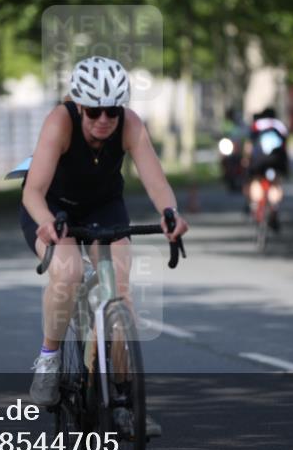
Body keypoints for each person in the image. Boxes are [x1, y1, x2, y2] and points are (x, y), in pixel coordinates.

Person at [20, 56, 189, 411]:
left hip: (103, 206)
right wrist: (47, 222)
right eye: (94, 111)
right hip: (54, 208)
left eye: (112, 111)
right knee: (69, 273)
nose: (104, 120)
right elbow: (32, 192)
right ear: (79, 105)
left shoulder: (130, 125)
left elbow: (156, 183)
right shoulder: (59, 122)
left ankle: (124, 403)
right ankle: (48, 359)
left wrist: (170, 213)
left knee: (121, 295)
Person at [242, 107, 289, 230]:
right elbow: (285, 146)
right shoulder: (280, 126)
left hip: (259, 160)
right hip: (276, 159)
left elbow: (249, 145)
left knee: (256, 180)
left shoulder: (257, 125)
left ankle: (255, 204)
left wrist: (246, 160)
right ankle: (274, 207)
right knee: (276, 183)